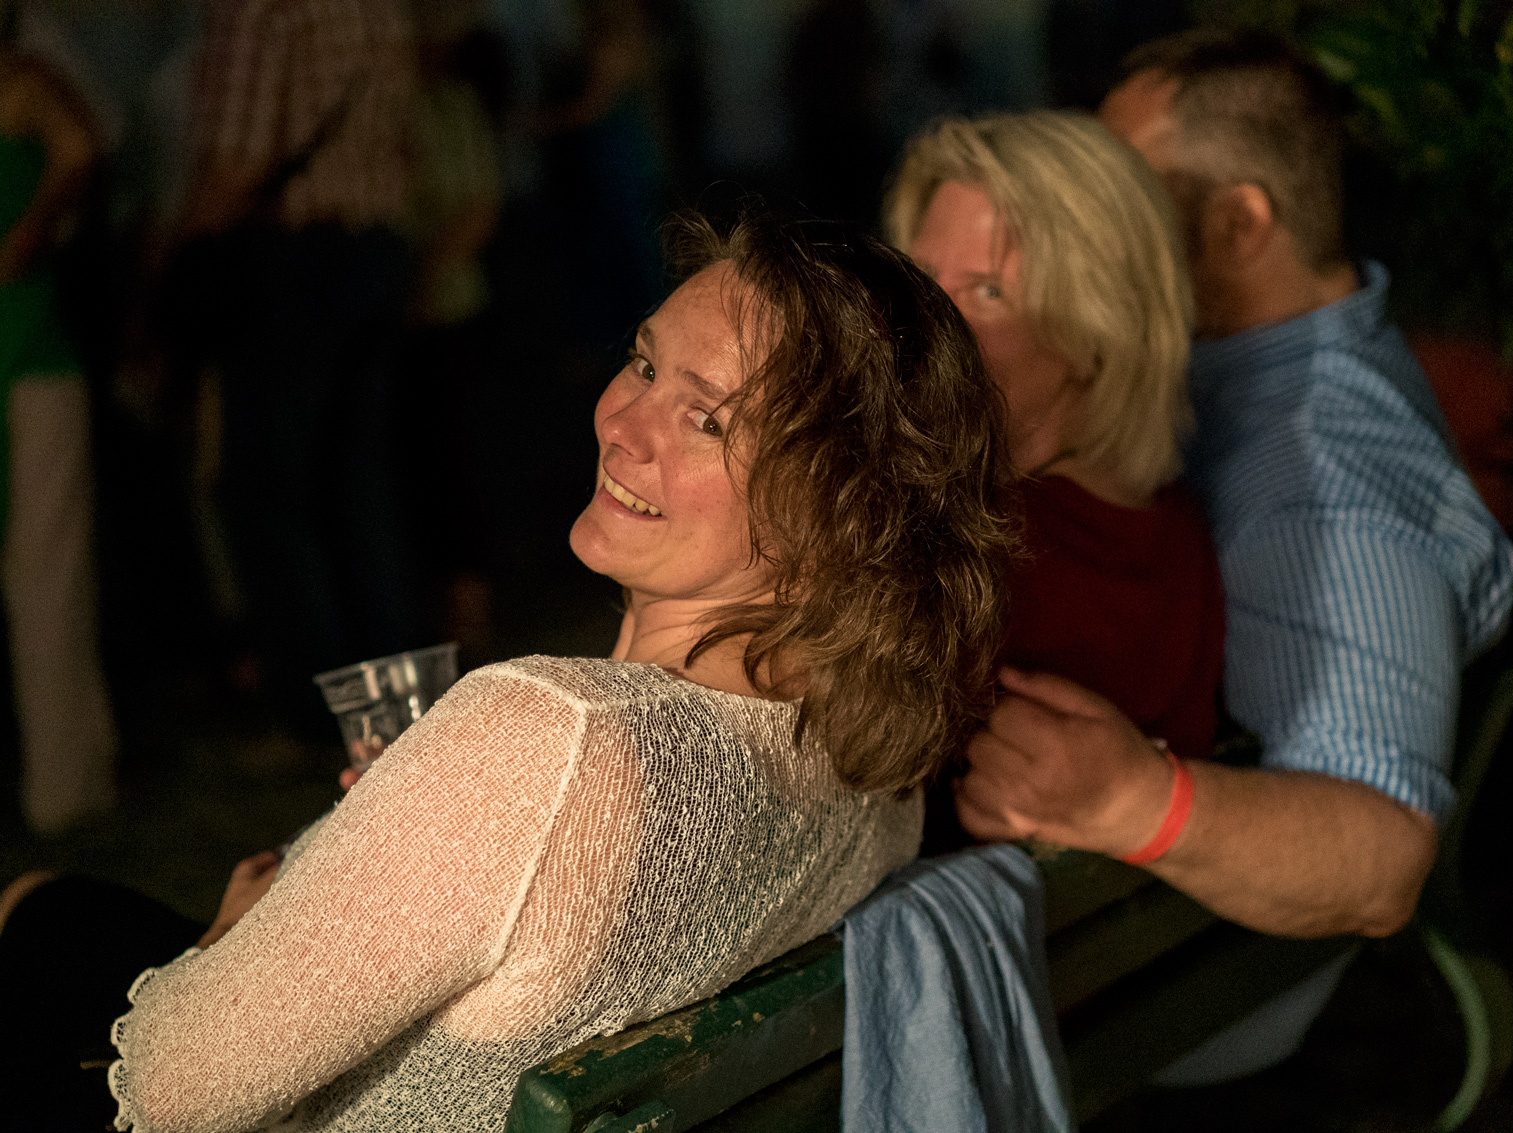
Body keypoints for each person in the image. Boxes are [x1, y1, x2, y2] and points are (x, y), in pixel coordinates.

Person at [0, 210, 1013, 1132]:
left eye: (705, 418)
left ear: (838, 514)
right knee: (48, 906)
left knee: (33, 923)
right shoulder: (876, 758)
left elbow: (170, 1087)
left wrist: (223, 941)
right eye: (644, 363)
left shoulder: (550, 735)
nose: (621, 422)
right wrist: (430, 816)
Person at [954, 27, 1513, 1076]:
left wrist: (1127, 798)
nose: (1088, 223)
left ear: (1239, 222)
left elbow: (1377, 861)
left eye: (1126, 191)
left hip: (1197, 982)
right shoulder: (1264, 375)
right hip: (1147, 939)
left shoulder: (1322, 482)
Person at [886, 110, 1224, 851]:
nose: (925, 322)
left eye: (988, 293)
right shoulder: (1175, 532)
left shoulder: (972, 554)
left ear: (1098, 332)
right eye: (922, 279)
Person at [172, 0, 421, 721]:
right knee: (361, 488)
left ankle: (309, 709)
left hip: (294, 258)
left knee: (271, 492)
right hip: (376, 244)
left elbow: (238, 160)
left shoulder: (264, 8)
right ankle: (388, 709)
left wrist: (171, 250)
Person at [0, 31, 116, 834]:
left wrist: (31, 231)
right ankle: (65, 780)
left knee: (46, 571)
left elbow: (81, 148)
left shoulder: (23, 81)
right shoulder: (24, 81)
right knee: (47, 573)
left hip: (29, 347)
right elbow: (83, 147)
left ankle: (67, 781)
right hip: (31, 350)